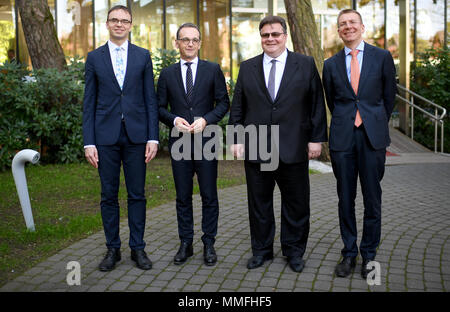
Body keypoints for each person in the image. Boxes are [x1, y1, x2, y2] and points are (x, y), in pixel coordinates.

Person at [228, 15, 327, 273]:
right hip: (257, 145)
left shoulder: (304, 64)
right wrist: (236, 138)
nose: (270, 39)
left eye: (275, 34)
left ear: (285, 36)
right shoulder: (247, 67)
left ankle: (294, 252)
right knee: (259, 204)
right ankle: (261, 251)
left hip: (294, 146)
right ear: (260, 38)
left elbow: (316, 103)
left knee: (296, 203)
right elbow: (238, 107)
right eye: (265, 35)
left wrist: (316, 139)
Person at [82, 5, 159, 272]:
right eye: (114, 20)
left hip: (138, 136)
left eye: (124, 21)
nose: (119, 24)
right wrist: (88, 142)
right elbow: (88, 103)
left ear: (130, 25)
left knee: (137, 194)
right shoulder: (94, 58)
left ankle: (138, 248)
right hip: (105, 137)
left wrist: (153, 137)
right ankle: (112, 249)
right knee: (108, 195)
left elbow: (151, 99)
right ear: (107, 24)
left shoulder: (142, 56)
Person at [322, 9, 397, 279]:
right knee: (345, 198)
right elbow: (333, 101)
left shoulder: (382, 57)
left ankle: (369, 255)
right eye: (342, 24)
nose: (347, 27)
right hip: (343, 137)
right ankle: (349, 253)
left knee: (372, 198)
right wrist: (348, 119)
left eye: (352, 22)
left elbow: (389, 97)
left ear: (362, 27)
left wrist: (373, 120)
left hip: (372, 136)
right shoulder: (330, 65)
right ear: (339, 31)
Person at [158, 23, 229, 266]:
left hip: (206, 139)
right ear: (176, 43)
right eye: (185, 39)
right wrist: (173, 119)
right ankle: (185, 243)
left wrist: (207, 120)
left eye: (194, 40)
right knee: (182, 195)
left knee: (209, 195)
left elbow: (223, 103)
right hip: (179, 141)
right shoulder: (167, 74)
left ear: (199, 43)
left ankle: (209, 243)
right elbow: (159, 107)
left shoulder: (212, 70)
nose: (190, 43)